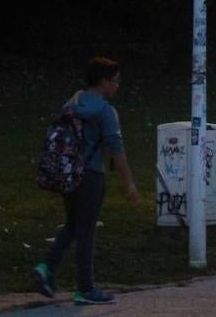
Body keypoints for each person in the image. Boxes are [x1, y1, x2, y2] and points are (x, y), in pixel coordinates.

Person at [31, 56, 138, 305]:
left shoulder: (74, 101)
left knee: (73, 224)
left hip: (68, 172)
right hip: (91, 175)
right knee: (86, 231)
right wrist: (129, 183)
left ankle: (46, 268)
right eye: (115, 81)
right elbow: (116, 149)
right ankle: (86, 288)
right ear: (103, 82)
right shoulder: (105, 111)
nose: (118, 86)